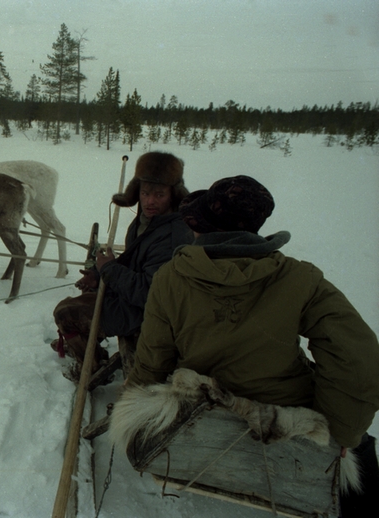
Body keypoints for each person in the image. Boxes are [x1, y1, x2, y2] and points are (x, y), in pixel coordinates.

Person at [126, 175, 379, 512]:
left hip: (205, 404)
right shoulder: (300, 278)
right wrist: (343, 436)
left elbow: (153, 360)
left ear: (200, 226)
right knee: (361, 449)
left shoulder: (170, 278)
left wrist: (133, 408)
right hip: (284, 411)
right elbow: (359, 361)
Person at [51, 151, 193, 374]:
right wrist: (99, 276)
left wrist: (109, 269)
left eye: (159, 195)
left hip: (150, 316)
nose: (150, 201)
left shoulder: (172, 235)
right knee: (71, 305)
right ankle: (86, 346)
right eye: (145, 193)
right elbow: (133, 260)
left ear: (173, 195)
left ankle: (91, 366)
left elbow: (149, 294)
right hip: (131, 301)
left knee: (65, 314)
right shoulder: (147, 220)